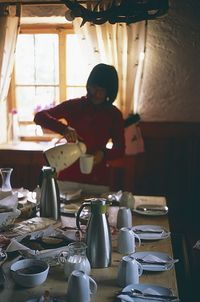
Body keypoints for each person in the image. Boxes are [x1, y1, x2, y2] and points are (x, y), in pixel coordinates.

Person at [34, 63, 125, 186]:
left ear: (109, 92)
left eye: (101, 90)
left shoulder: (114, 115)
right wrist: (63, 129)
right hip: (68, 176)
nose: (96, 93)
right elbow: (39, 117)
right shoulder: (75, 106)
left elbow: (120, 148)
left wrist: (104, 154)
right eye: (94, 87)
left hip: (98, 178)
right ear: (88, 85)